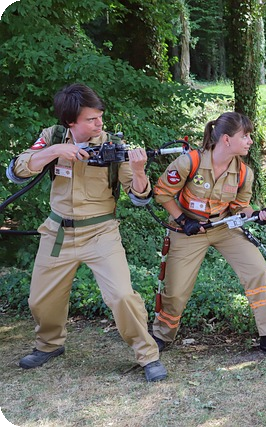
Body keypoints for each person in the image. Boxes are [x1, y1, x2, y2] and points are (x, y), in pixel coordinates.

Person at [6, 83, 167, 381]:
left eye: (100, 117)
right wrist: (56, 151)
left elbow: (138, 197)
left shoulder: (114, 146)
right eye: (91, 119)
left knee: (122, 296)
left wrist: (139, 171)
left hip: (100, 233)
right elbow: (17, 171)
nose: (99, 123)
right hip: (57, 233)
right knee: (40, 300)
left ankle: (148, 355)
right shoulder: (52, 137)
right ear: (71, 122)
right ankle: (49, 345)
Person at [151, 111, 266, 357]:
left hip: (224, 227)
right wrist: (183, 220)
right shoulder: (189, 162)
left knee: (258, 271)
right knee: (176, 289)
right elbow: (162, 192)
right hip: (187, 230)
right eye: (245, 136)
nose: (250, 141)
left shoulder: (244, 173)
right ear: (226, 139)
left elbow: (240, 207)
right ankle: (161, 335)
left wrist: (257, 215)